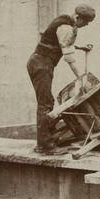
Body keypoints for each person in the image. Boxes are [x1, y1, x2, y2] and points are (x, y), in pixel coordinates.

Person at [26, 14, 79, 154]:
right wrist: (80, 77)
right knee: (45, 104)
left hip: (39, 62)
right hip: (41, 65)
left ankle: (47, 140)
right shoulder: (66, 28)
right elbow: (69, 58)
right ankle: (45, 146)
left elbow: (55, 42)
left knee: (47, 101)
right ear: (79, 17)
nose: (87, 25)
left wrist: (79, 46)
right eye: (86, 21)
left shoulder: (64, 22)